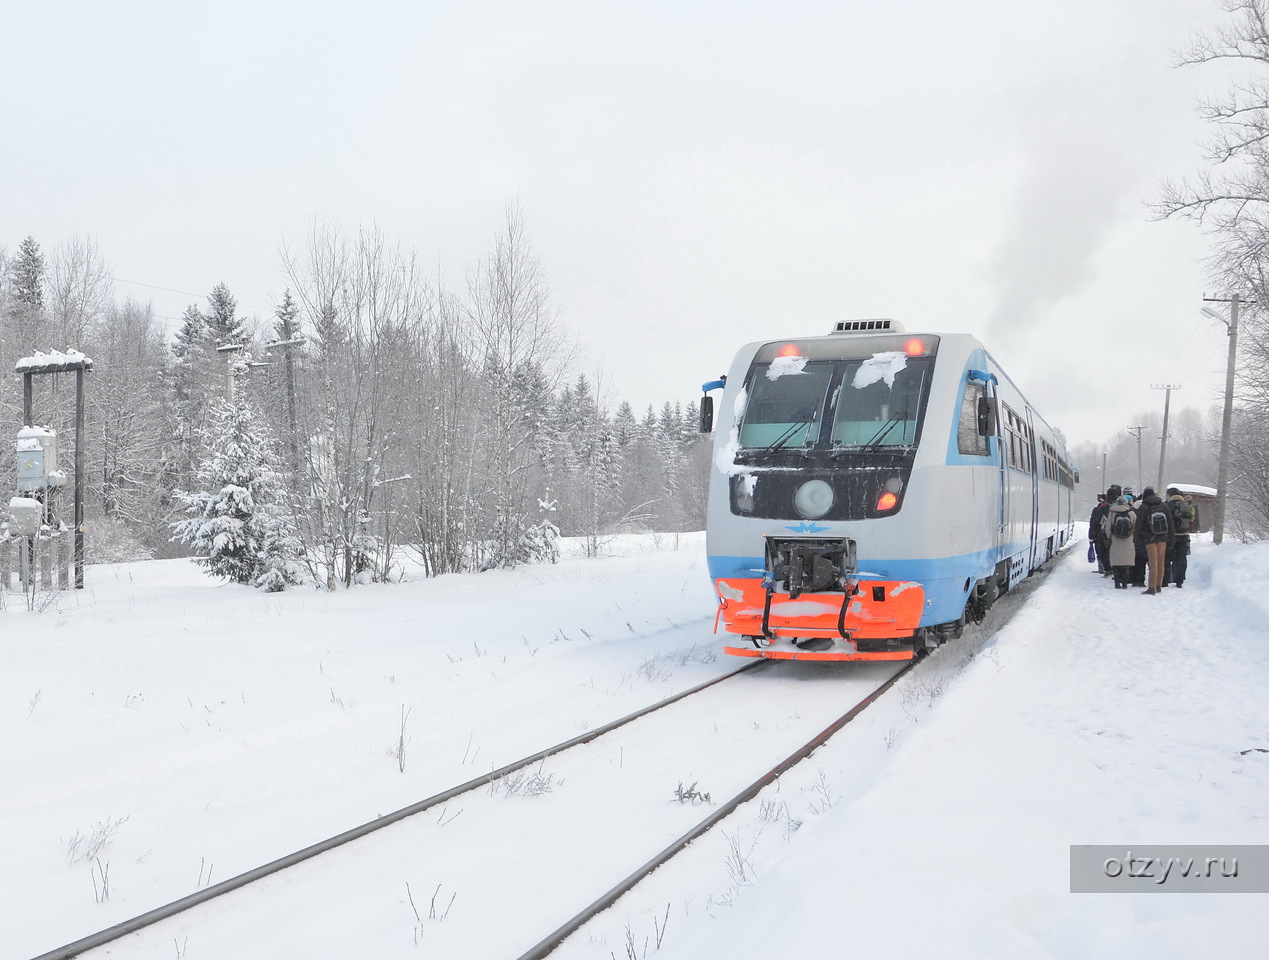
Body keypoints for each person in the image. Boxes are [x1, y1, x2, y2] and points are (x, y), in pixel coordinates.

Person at [1134, 486, 1175, 595]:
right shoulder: (1164, 506)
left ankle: (1151, 588)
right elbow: (1170, 523)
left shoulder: (1144, 507)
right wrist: (1171, 538)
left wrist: (1136, 540)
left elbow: (1139, 525)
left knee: (1153, 563)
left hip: (1150, 538)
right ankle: (1158, 585)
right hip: (1163, 537)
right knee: (1161, 563)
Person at [1165, 487, 1195, 587]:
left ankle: (1166, 579)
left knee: (1167, 558)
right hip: (1184, 535)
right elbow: (1191, 519)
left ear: (1169, 495)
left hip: (1170, 535)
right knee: (1181, 558)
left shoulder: (1167, 505)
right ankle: (1179, 580)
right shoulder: (1186, 505)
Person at [1105, 494, 1137, 589]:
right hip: (1128, 540)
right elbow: (1136, 526)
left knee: (1116, 562)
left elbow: (1108, 527)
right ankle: (1125, 583)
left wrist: (1109, 537)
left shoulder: (1112, 513)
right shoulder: (1131, 513)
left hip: (1116, 540)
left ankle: (1117, 583)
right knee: (1126, 563)